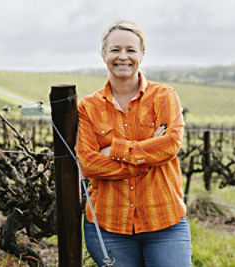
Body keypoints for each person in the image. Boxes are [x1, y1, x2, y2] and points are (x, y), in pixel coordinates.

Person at [76, 19, 192, 267]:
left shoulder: (164, 97)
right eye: (115, 49)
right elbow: (88, 164)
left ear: (142, 54)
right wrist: (146, 156)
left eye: (131, 50)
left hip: (165, 222)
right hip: (109, 226)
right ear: (103, 54)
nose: (123, 57)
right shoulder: (88, 107)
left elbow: (170, 145)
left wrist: (114, 150)